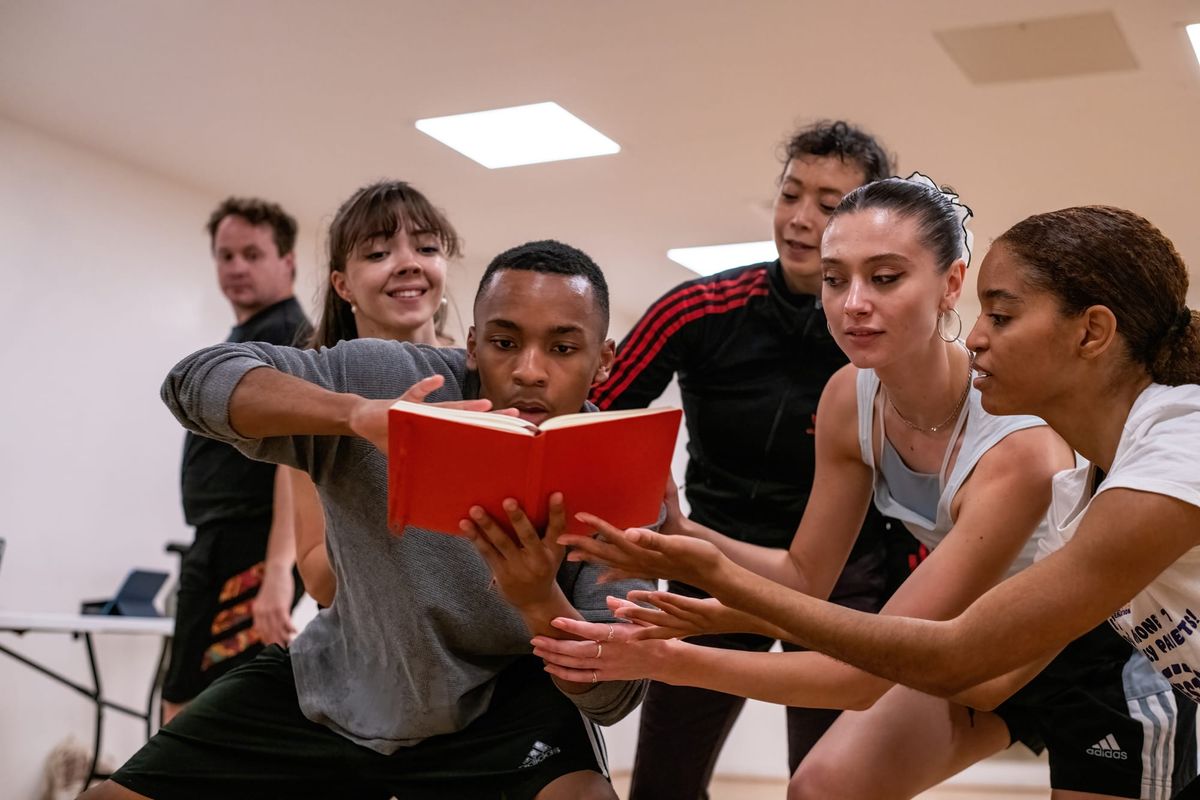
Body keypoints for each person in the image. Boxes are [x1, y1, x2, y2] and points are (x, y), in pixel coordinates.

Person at [535, 181, 1196, 798]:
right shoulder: (853, 398)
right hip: (977, 641)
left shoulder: (1047, 452)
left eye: (884, 277)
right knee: (823, 785)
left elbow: (898, 668)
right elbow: (808, 580)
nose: (852, 303)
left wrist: (692, 630)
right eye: (833, 278)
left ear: (948, 284)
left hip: (1048, 647)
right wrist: (694, 556)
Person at [84, 240, 651, 800]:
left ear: (604, 359)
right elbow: (192, 382)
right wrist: (354, 415)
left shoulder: (622, 478)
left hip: (504, 702)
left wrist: (535, 599)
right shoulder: (392, 379)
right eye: (505, 342)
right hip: (339, 680)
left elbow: (615, 696)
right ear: (473, 346)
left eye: (562, 348)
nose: (530, 370)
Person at [587, 119, 912, 798]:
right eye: (791, 194)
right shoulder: (697, 309)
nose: (799, 218)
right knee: (662, 787)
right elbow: (596, 416)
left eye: (828, 205)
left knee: (827, 785)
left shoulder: (879, 339)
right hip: (710, 560)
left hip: (841, 581)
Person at [268, 179, 462, 612]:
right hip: (368, 643)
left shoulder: (482, 375)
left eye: (428, 249)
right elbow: (319, 579)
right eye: (378, 254)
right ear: (343, 285)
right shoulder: (313, 396)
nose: (409, 263)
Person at [164, 197, 311, 723]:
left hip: (250, 546)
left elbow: (292, 460)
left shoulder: (290, 336)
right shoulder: (247, 335)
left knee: (209, 707)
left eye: (252, 253)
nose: (236, 268)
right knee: (186, 697)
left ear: (288, 262)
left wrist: (276, 570)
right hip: (217, 540)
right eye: (226, 256)